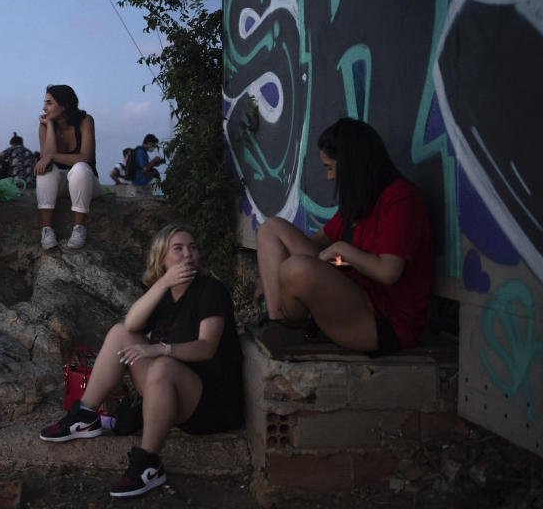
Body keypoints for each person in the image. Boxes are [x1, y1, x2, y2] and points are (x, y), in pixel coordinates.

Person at [38, 223, 244, 498]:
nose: (188, 255)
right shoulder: (164, 294)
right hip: (169, 392)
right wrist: (162, 283)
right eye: (178, 249)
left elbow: (206, 348)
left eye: (192, 248)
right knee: (121, 332)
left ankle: (147, 464)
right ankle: (85, 415)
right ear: (161, 258)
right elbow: (133, 322)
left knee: (162, 365)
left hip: (211, 402)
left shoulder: (211, 290)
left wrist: (160, 349)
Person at [256, 117, 433, 353]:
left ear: (352, 165)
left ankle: (292, 328)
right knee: (271, 228)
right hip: (352, 294)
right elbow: (316, 242)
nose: (329, 177)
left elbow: (388, 272)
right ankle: (279, 326)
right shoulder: (360, 201)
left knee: (295, 268)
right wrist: (270, 274)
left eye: (330, 168)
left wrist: (342, 250)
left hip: (382, 322)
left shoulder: (401, 199)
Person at [34, 84, 102, 250]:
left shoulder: (85, 121)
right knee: (46, 172)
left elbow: (86, 157)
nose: (44, 107)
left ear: (64, 106)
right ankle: (47, 230)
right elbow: (46, 160)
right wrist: (49, 125)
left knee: (80, 168)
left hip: (87, 182)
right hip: (61, 185)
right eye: (44, 102)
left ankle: (79, 228)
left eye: (49, 103)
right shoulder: (44, 125)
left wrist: (52, 156)